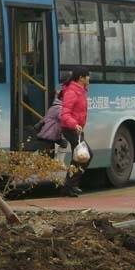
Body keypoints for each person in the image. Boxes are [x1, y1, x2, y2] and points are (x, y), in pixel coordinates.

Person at [60, 66, 92, 197]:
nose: (89, 78)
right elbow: (65, 114)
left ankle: (70, 186)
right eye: (88, 76)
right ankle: (70, 185)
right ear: (81, 78)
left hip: (76, 129)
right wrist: (74, 125)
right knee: (86, 155)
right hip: (70, 128)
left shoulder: (80, 91)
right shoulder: (72, 92)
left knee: (78, 157)